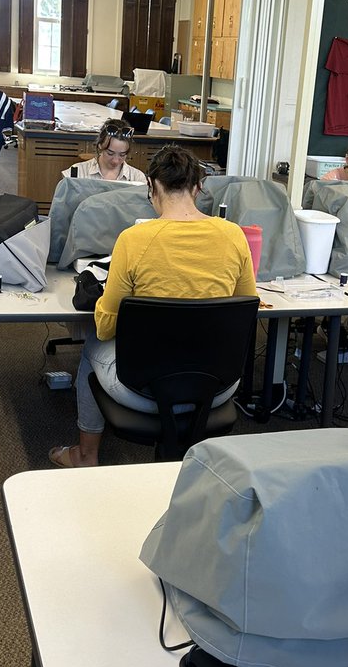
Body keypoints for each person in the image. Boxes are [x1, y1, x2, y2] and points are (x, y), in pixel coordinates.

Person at [49, 145, 257, 468]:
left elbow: (105, 327)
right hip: (217, 387)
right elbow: (247, 305)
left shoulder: (134, 240)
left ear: (152, 188)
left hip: (143, 390)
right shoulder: (234, 236)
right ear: (198, 188)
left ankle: (85, 455)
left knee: (93, 342)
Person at [61, 118, 147, 182]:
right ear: (100, 146)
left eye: (122, 155)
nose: (115, 161)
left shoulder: (138, 178)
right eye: (110, 153)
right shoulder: (76, 174)